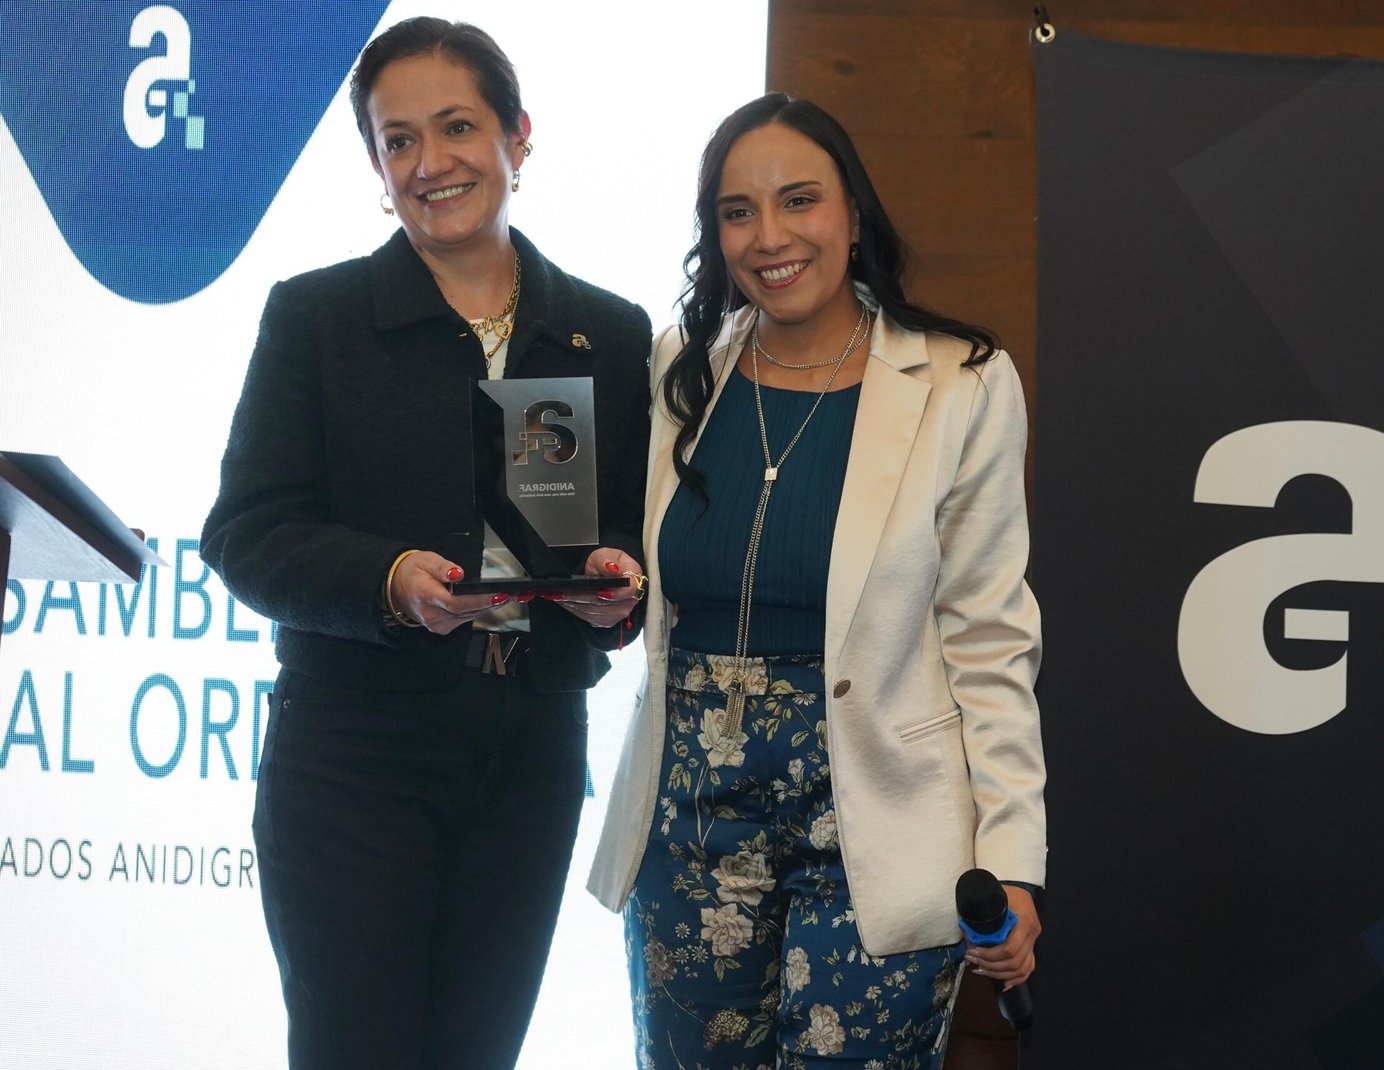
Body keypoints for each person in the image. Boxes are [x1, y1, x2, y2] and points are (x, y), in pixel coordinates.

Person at [200, 17, 649, 1070]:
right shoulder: (317, 318)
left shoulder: (608, 331)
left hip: (530, 756)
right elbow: (246, 532)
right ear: (376, 165)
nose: (429, 162)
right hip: (355, 757)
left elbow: (627, 534)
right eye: (397, 140)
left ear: (517, 138)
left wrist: (613, 588)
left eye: (456, 127)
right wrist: (390, 580)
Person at [588, 93, 1045, 1068]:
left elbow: (991, 638)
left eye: (799, 199)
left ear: (854, 213)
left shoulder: (961, 382)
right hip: (688, 818)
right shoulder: (679, 370)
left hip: (879, 819)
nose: (770, 236)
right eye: (737, 210)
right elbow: (641, 580)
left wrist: (1011, 857)